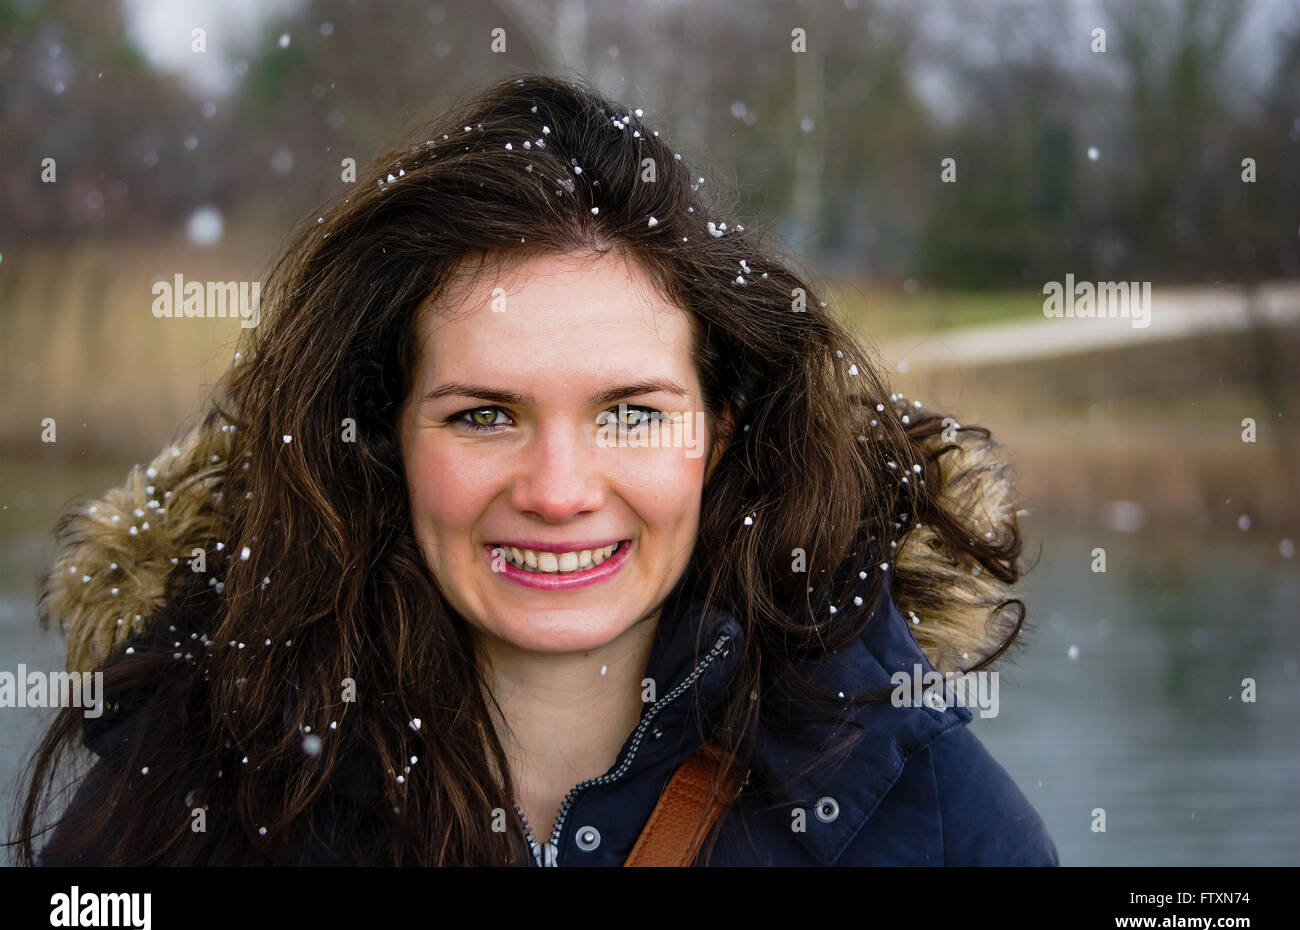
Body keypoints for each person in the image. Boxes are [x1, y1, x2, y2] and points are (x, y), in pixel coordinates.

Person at [15, 72, 1057, 866]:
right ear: (383, 435)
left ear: (722, 429)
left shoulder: (929, 818)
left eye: (631, 414)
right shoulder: (189, 784)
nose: (558, 489)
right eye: (482, 414)